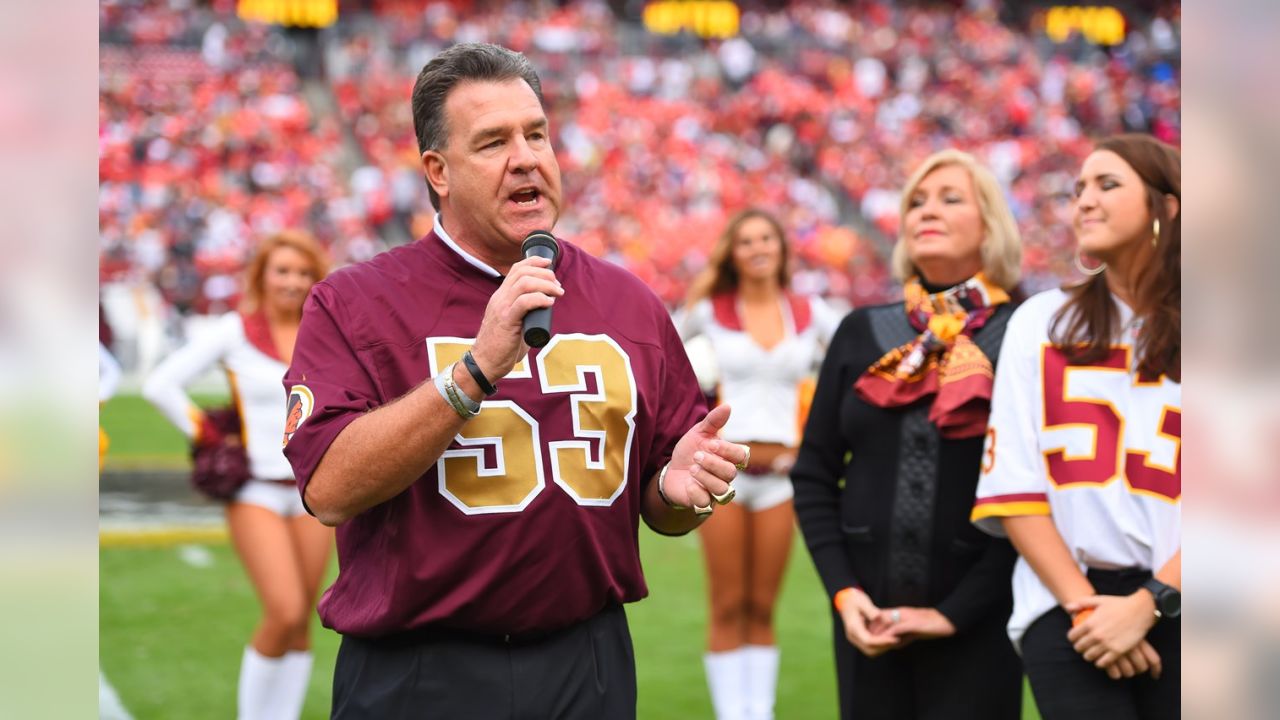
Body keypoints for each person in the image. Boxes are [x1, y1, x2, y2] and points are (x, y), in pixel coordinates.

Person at [279, 42, 748, 719]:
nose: (526, 157)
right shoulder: (355, 302)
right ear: (438, 171)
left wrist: (679, 493)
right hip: (418, 671)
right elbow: (328, 490)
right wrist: (474, 371)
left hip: (587, 661)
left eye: (536, 134)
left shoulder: (629, 302)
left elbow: (661, 497)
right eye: (493, 141)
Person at [791, 149, 1025, 720]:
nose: (927, 210)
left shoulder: (1025, 332)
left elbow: (1035, 495)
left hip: (984, 622)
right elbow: (815, 474)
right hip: (866, 622)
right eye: (916, 201)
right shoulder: (861, 331)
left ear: (990, 224)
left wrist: (957, 612)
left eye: (950, 198)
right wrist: (845, 595)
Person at [971, 134, 1181, 719]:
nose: (1084, 201)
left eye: (1107, 184)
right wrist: (1088, 609)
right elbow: (1014, 489)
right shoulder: (1041, 321)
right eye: (1077, 188)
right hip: (1066, 607)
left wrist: (1151, 603)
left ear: (1169, 206)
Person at [143, 230, 333, 720]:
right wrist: (209, 434)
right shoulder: (234, 329)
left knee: (302, 622)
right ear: (262, 277)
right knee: (284, 610)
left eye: (302, 271)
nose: (293, 281)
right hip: (255, 490)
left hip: (317, 491)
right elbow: (159, 385)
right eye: (282, 271)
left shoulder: (326, 328)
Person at [675, 208, 840, 720]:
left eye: (767, 237)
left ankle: (758, 712)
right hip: (723, 472)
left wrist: (814, 444)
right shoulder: (708, 311)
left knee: (763, 606)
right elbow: (663, 365)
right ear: (734, 252)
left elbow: (852, 368)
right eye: (746, 240)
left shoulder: (812, 312)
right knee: (727, 602)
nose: (758, 247)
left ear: (783, 248)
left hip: (780, 479)